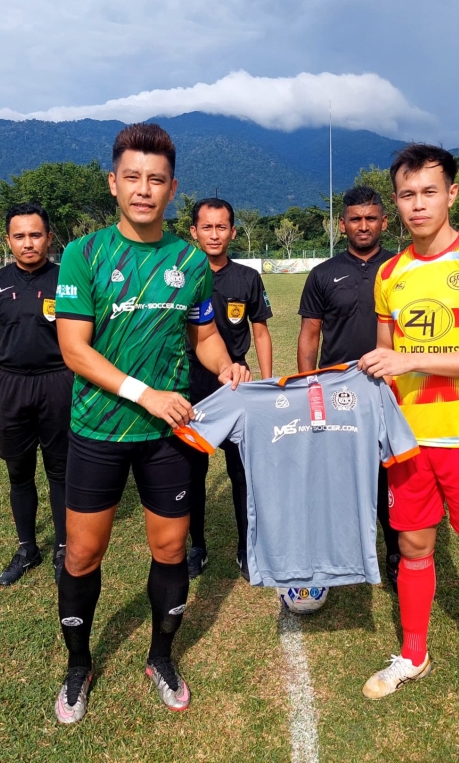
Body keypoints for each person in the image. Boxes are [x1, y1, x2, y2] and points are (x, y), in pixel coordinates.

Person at [52, 123, 250, 722]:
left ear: (172, 188)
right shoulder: (84, 254)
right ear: (114, 184)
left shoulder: (190, 260)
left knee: (169, 550)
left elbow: (205, 335)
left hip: (167, 436)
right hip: (99, 431)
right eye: (132, 178)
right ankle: (78, 666)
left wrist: (228, 367)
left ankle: (161, 657)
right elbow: (74, 349)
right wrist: (147, 394)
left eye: (156, 180)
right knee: (83, 555)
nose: (144, 189)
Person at [357, 144, 459, 741]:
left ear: (453, 193)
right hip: (407, 444)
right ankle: (414, 653)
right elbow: (382, 363)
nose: (418, 204)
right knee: (414, 547)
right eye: (406, 194)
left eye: (429, 192)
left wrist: (408, 357)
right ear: (395, 200)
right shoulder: (389, 273)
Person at [297, 185, 401, 587]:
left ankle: (394, 554)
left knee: (391, 474)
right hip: (339, 390)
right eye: (355, 219)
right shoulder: (324, 273)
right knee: (340, 477)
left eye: (371, 218)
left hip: (392, 390)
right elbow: (310, 335)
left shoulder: (401, 268)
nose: (363, 226)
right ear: (342, 225)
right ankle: (338, 557)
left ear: (384, 222)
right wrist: (309, 388)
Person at [0, 202, 71, 587]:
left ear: (49, 237)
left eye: (36, 235)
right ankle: (28, 548)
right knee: (18, 472)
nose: (29, 243)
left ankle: (63, 548)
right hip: (10, 386)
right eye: (20, 236)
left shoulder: (68, 281)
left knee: (60, 471)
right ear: (8, 240)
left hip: (59, 383)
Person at [185, 197, 273, 581]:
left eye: (222, 227)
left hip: (236, 387)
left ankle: (245, 546)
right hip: (189, 387)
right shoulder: (181, 275)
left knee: (242, 473)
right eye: (207, 227)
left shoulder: (247, 278)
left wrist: (267, 384)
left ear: (233, 232)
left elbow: (261, 331)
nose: (215, 234)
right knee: (191, 473)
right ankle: (196, 547)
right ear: (194, 232)